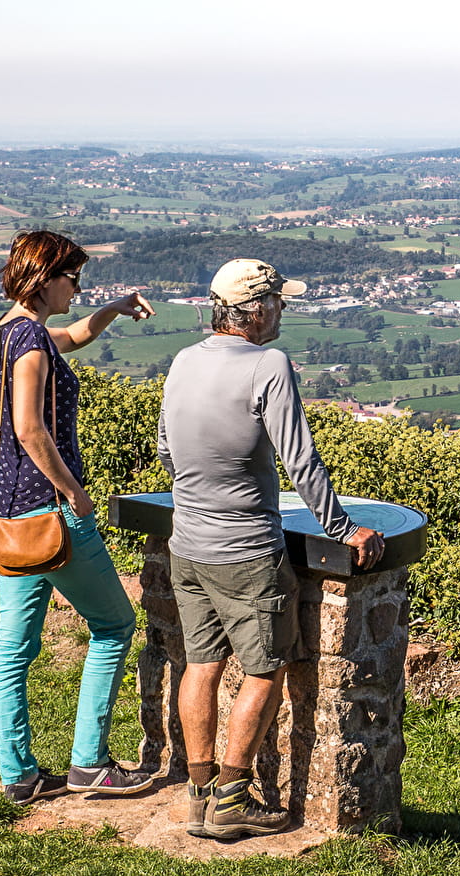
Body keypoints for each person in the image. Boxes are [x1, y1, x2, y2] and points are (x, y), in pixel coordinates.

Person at [157, 258, 384, 839]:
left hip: (188, 544)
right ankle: (231, 801)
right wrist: (342, 528)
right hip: (246, 551)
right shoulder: (268, 364)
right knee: (265, 670)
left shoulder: (184, 360)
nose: (284, 309)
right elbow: (300, 459)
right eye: (279, 301)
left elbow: (167, 452)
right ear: (256, 311)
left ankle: (197, 794)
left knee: (201, 666)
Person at [0, 230, 158, 805]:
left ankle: (19, 775)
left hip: (6, 513)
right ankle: (90, 765)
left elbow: (73, 337)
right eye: (72, 278)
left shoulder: (7, 333)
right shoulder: (30, 341)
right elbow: (30, 427)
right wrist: (74, 492)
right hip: (50, 513)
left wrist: (112, 309)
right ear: (44, 278)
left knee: (13, 648)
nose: (77, 287)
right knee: (114, 628)